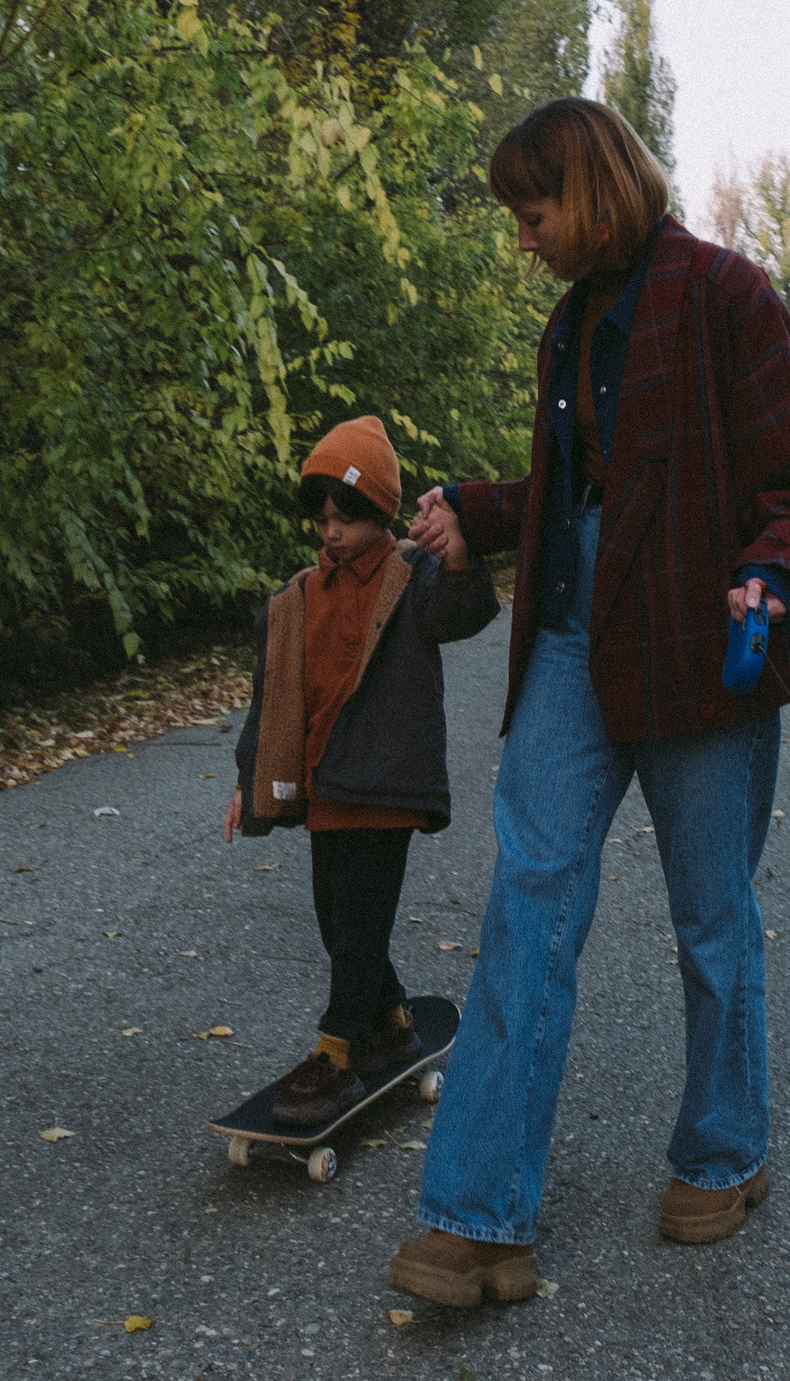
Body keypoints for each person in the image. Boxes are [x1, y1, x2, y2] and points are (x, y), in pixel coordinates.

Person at [390, 98, 790, 1308]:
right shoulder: (571, 326)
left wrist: (772, 571)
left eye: (531, 212)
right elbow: (583, 493)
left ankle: (724, 1153)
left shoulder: (725, 295)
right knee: (527, 908)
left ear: (594, 192)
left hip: (701, 645)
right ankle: (480, 1218)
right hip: (569, 633)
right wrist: (477, 511)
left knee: (711, 918)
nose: (521, 239)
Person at [226, 415, 500, 1127]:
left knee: (359, 924)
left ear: (380, 514)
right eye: (322, 520)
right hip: (328, 785)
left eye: (345, 519)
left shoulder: (413, 578)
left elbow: (465, 610)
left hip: (387, 784)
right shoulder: (300, 597)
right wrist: (249, 780)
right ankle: (390, 1023)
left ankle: (336, 1053)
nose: (332, 533)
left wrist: (460, 556)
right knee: (337, 922)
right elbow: (272, 697)